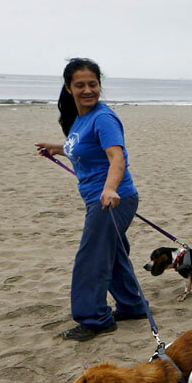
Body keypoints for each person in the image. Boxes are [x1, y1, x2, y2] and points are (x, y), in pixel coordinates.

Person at [34, 58, 145, 341]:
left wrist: (109, 189)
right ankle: (133, 306)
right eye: (80, 85)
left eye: (92, 84)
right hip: (102, 198)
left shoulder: (103, 118)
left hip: (112, 199)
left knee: (91, 258)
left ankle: (94, 319)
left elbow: (116, 157)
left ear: (99, 85)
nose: (87, 90)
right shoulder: (81, 118)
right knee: (112, 253)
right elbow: (85, 148)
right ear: (69, 88)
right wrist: (58, 149)